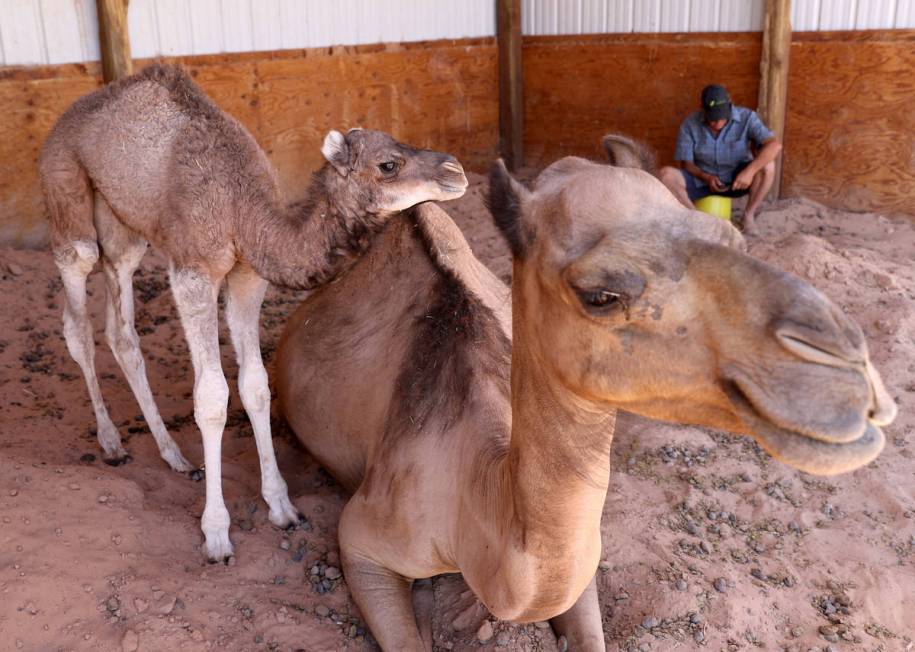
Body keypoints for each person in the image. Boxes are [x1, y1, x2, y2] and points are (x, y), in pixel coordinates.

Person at [658, 84, 782, 233]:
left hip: (737, 180)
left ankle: (748, 216)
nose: (718, 124)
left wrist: (749, 171)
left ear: (730, 105)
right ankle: (695, 218)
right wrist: (705, 177)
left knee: (768, 166)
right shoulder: (690, 124)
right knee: (665, 174)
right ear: (703, 109)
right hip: (702, 180)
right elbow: (687, 163)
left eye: (722, 118)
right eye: (713, 119)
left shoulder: (747, 117)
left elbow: (774, 145)